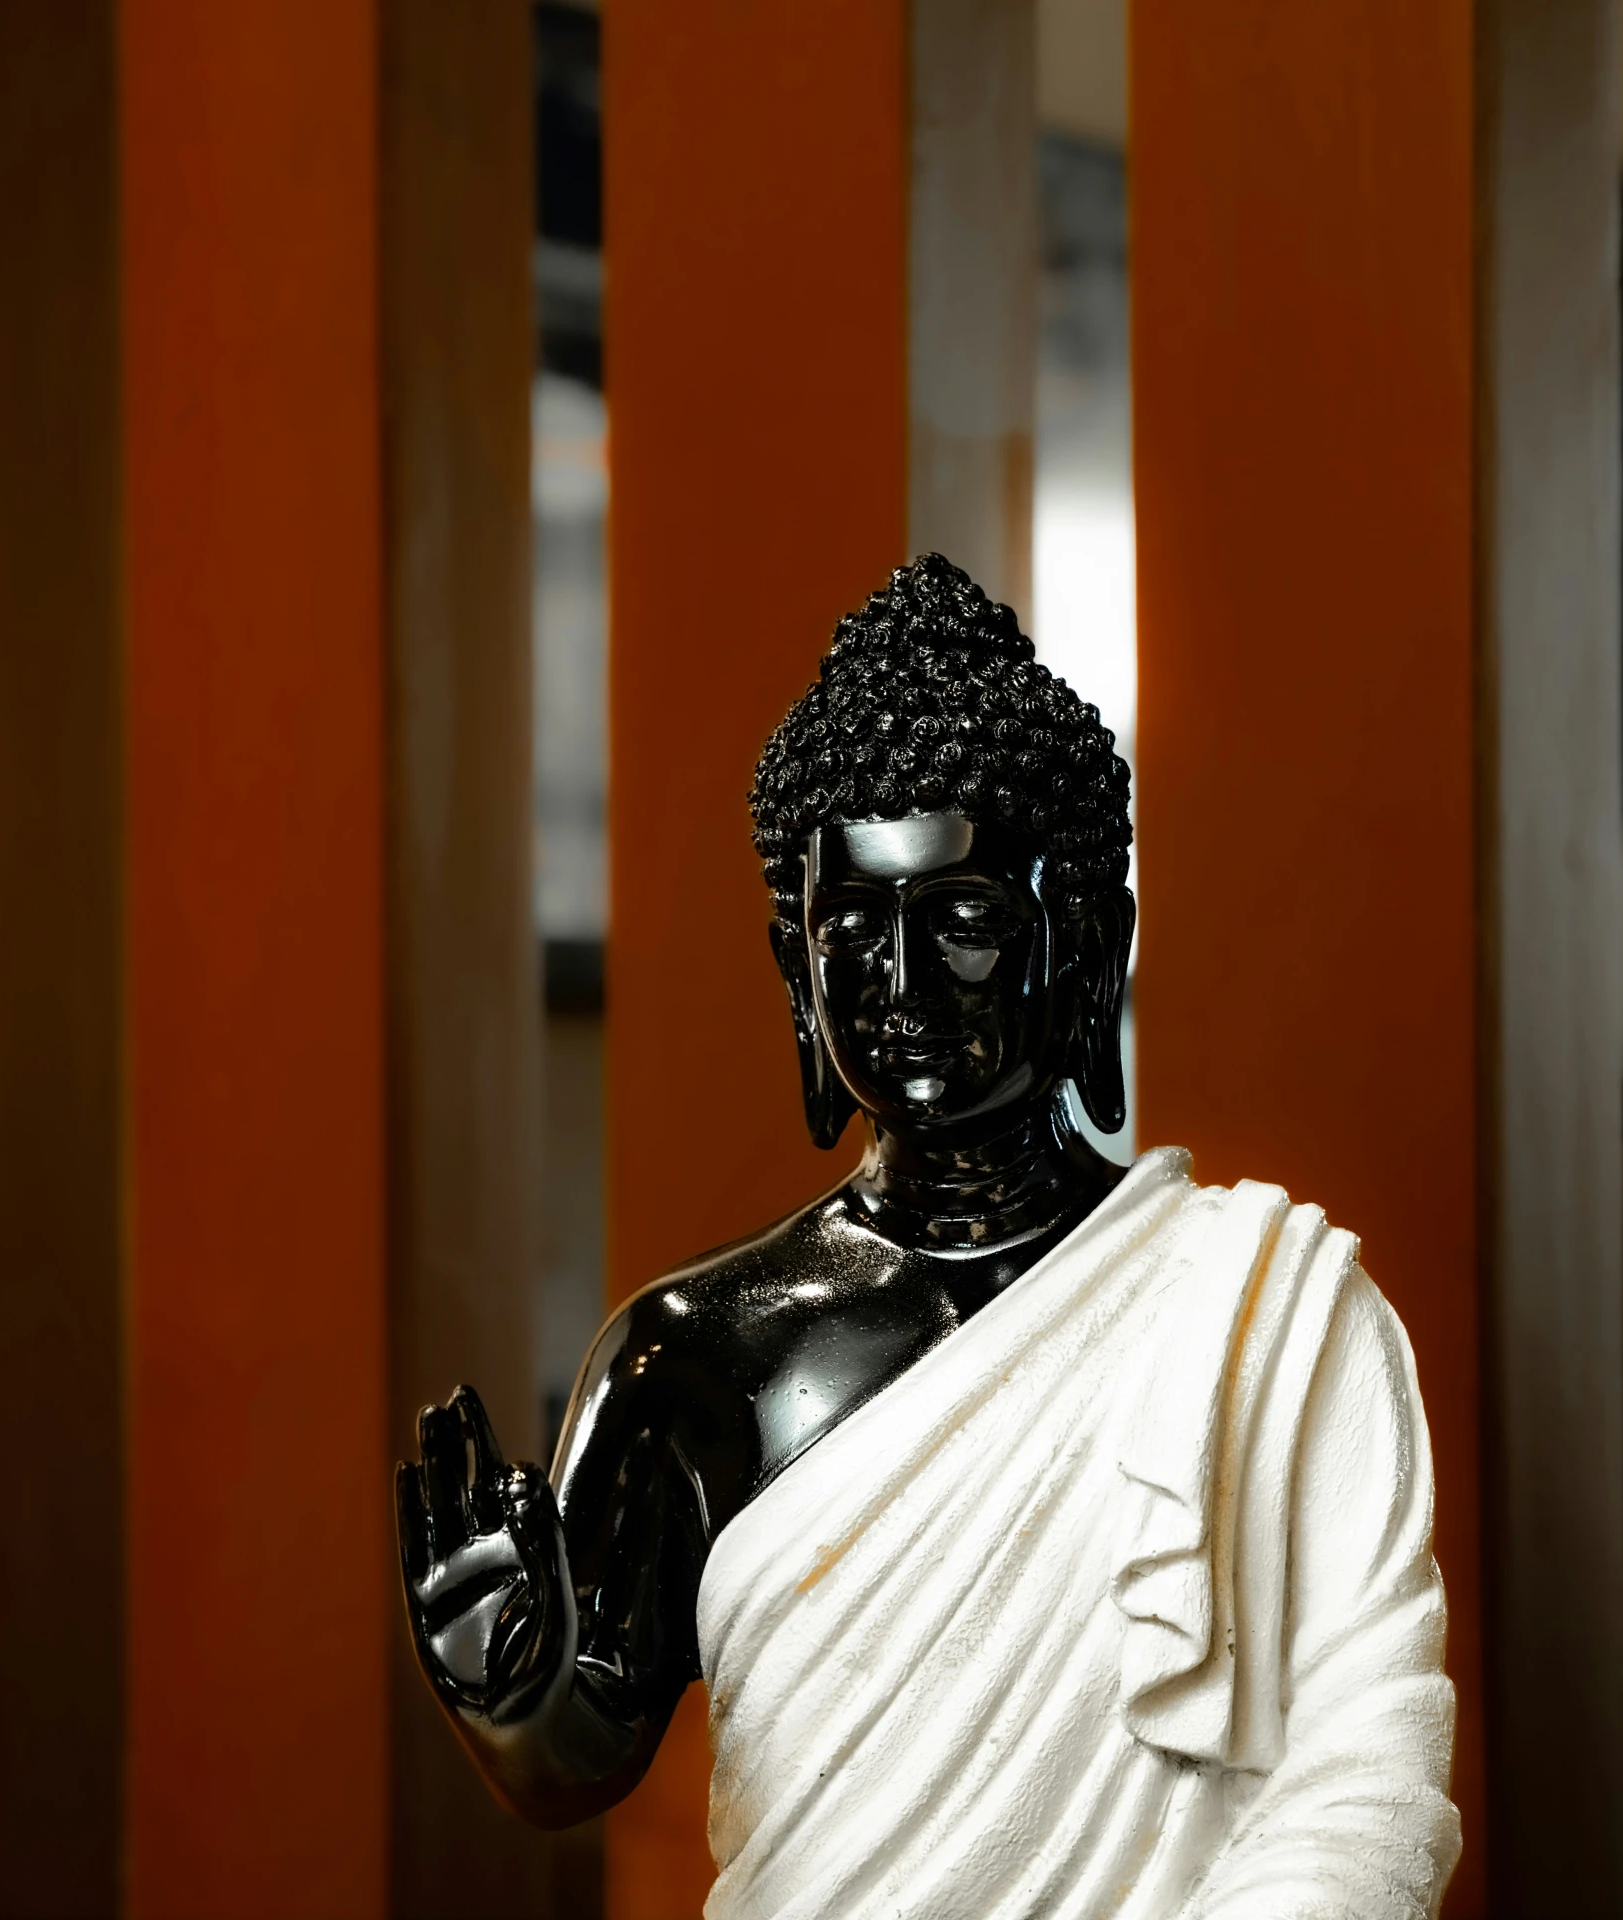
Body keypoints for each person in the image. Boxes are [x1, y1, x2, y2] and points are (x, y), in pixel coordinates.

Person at [395, 555, 1461, 1918]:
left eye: (959, 923)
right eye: (851, 930)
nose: (898, 988)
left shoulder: (1272, 1321)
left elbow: (1370, 1774)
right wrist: (515, 1695)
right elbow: (577, 1758)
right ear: (798, 970)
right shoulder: (693, 1361)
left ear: (1087, 945)